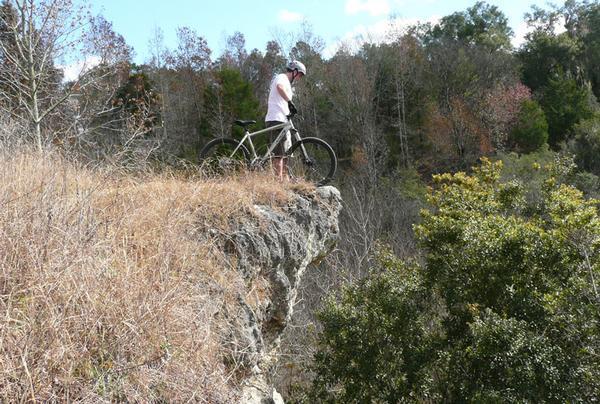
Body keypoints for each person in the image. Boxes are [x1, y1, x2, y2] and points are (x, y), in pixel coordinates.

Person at [265, 60, 306, 180]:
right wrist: (290, 102)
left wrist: (290, 109)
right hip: (276, 118)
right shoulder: (282, 77)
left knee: (286, 152)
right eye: (300, 75)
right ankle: (279, 182)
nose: (299, 78)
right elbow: (279, 87)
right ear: (294, 71)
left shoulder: (288, 83)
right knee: (278, 154)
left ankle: (285, 179)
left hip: (283, 119)